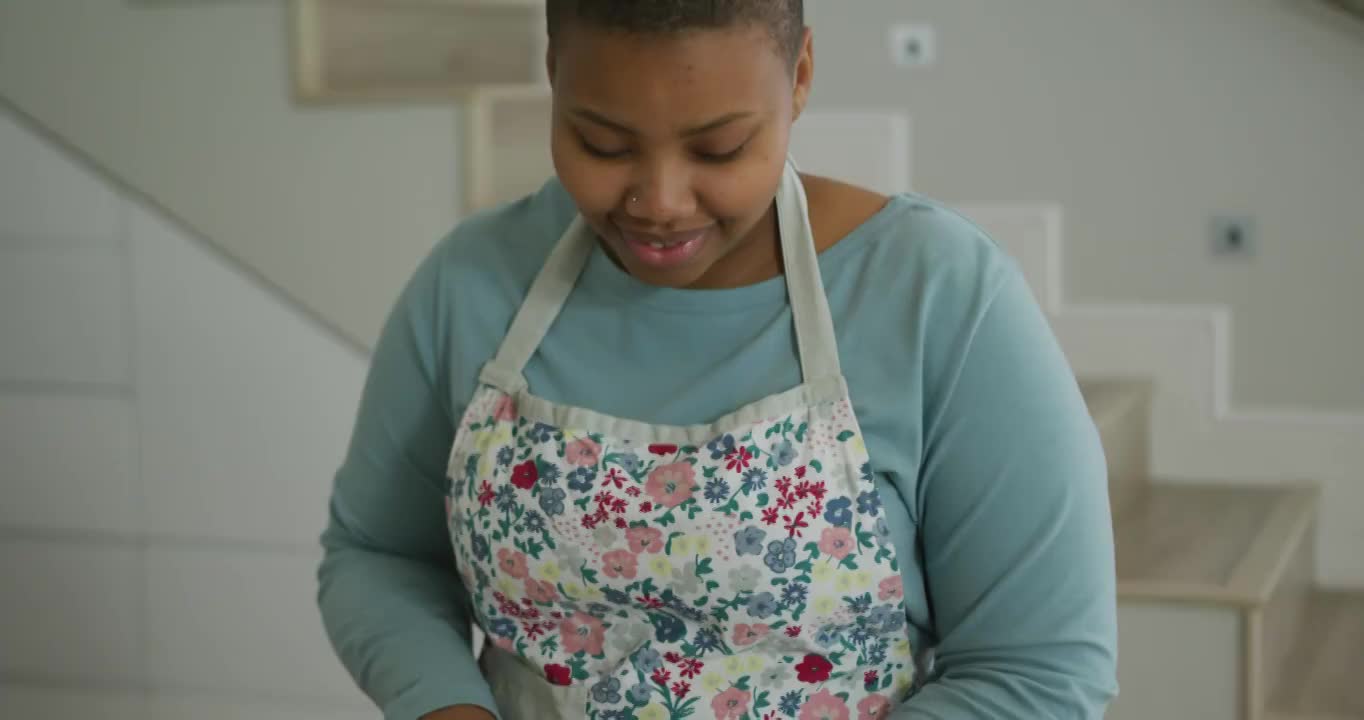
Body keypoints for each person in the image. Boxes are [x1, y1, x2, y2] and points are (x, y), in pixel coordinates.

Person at [316, 1, 1119, 718]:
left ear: (799, 76)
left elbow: (1037, 672)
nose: (660, 202)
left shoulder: (939, 297)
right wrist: (444, 705)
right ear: (554, 74)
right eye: (603, 143)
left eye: (721, 149)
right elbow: (380, 554)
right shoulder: (471, 283)